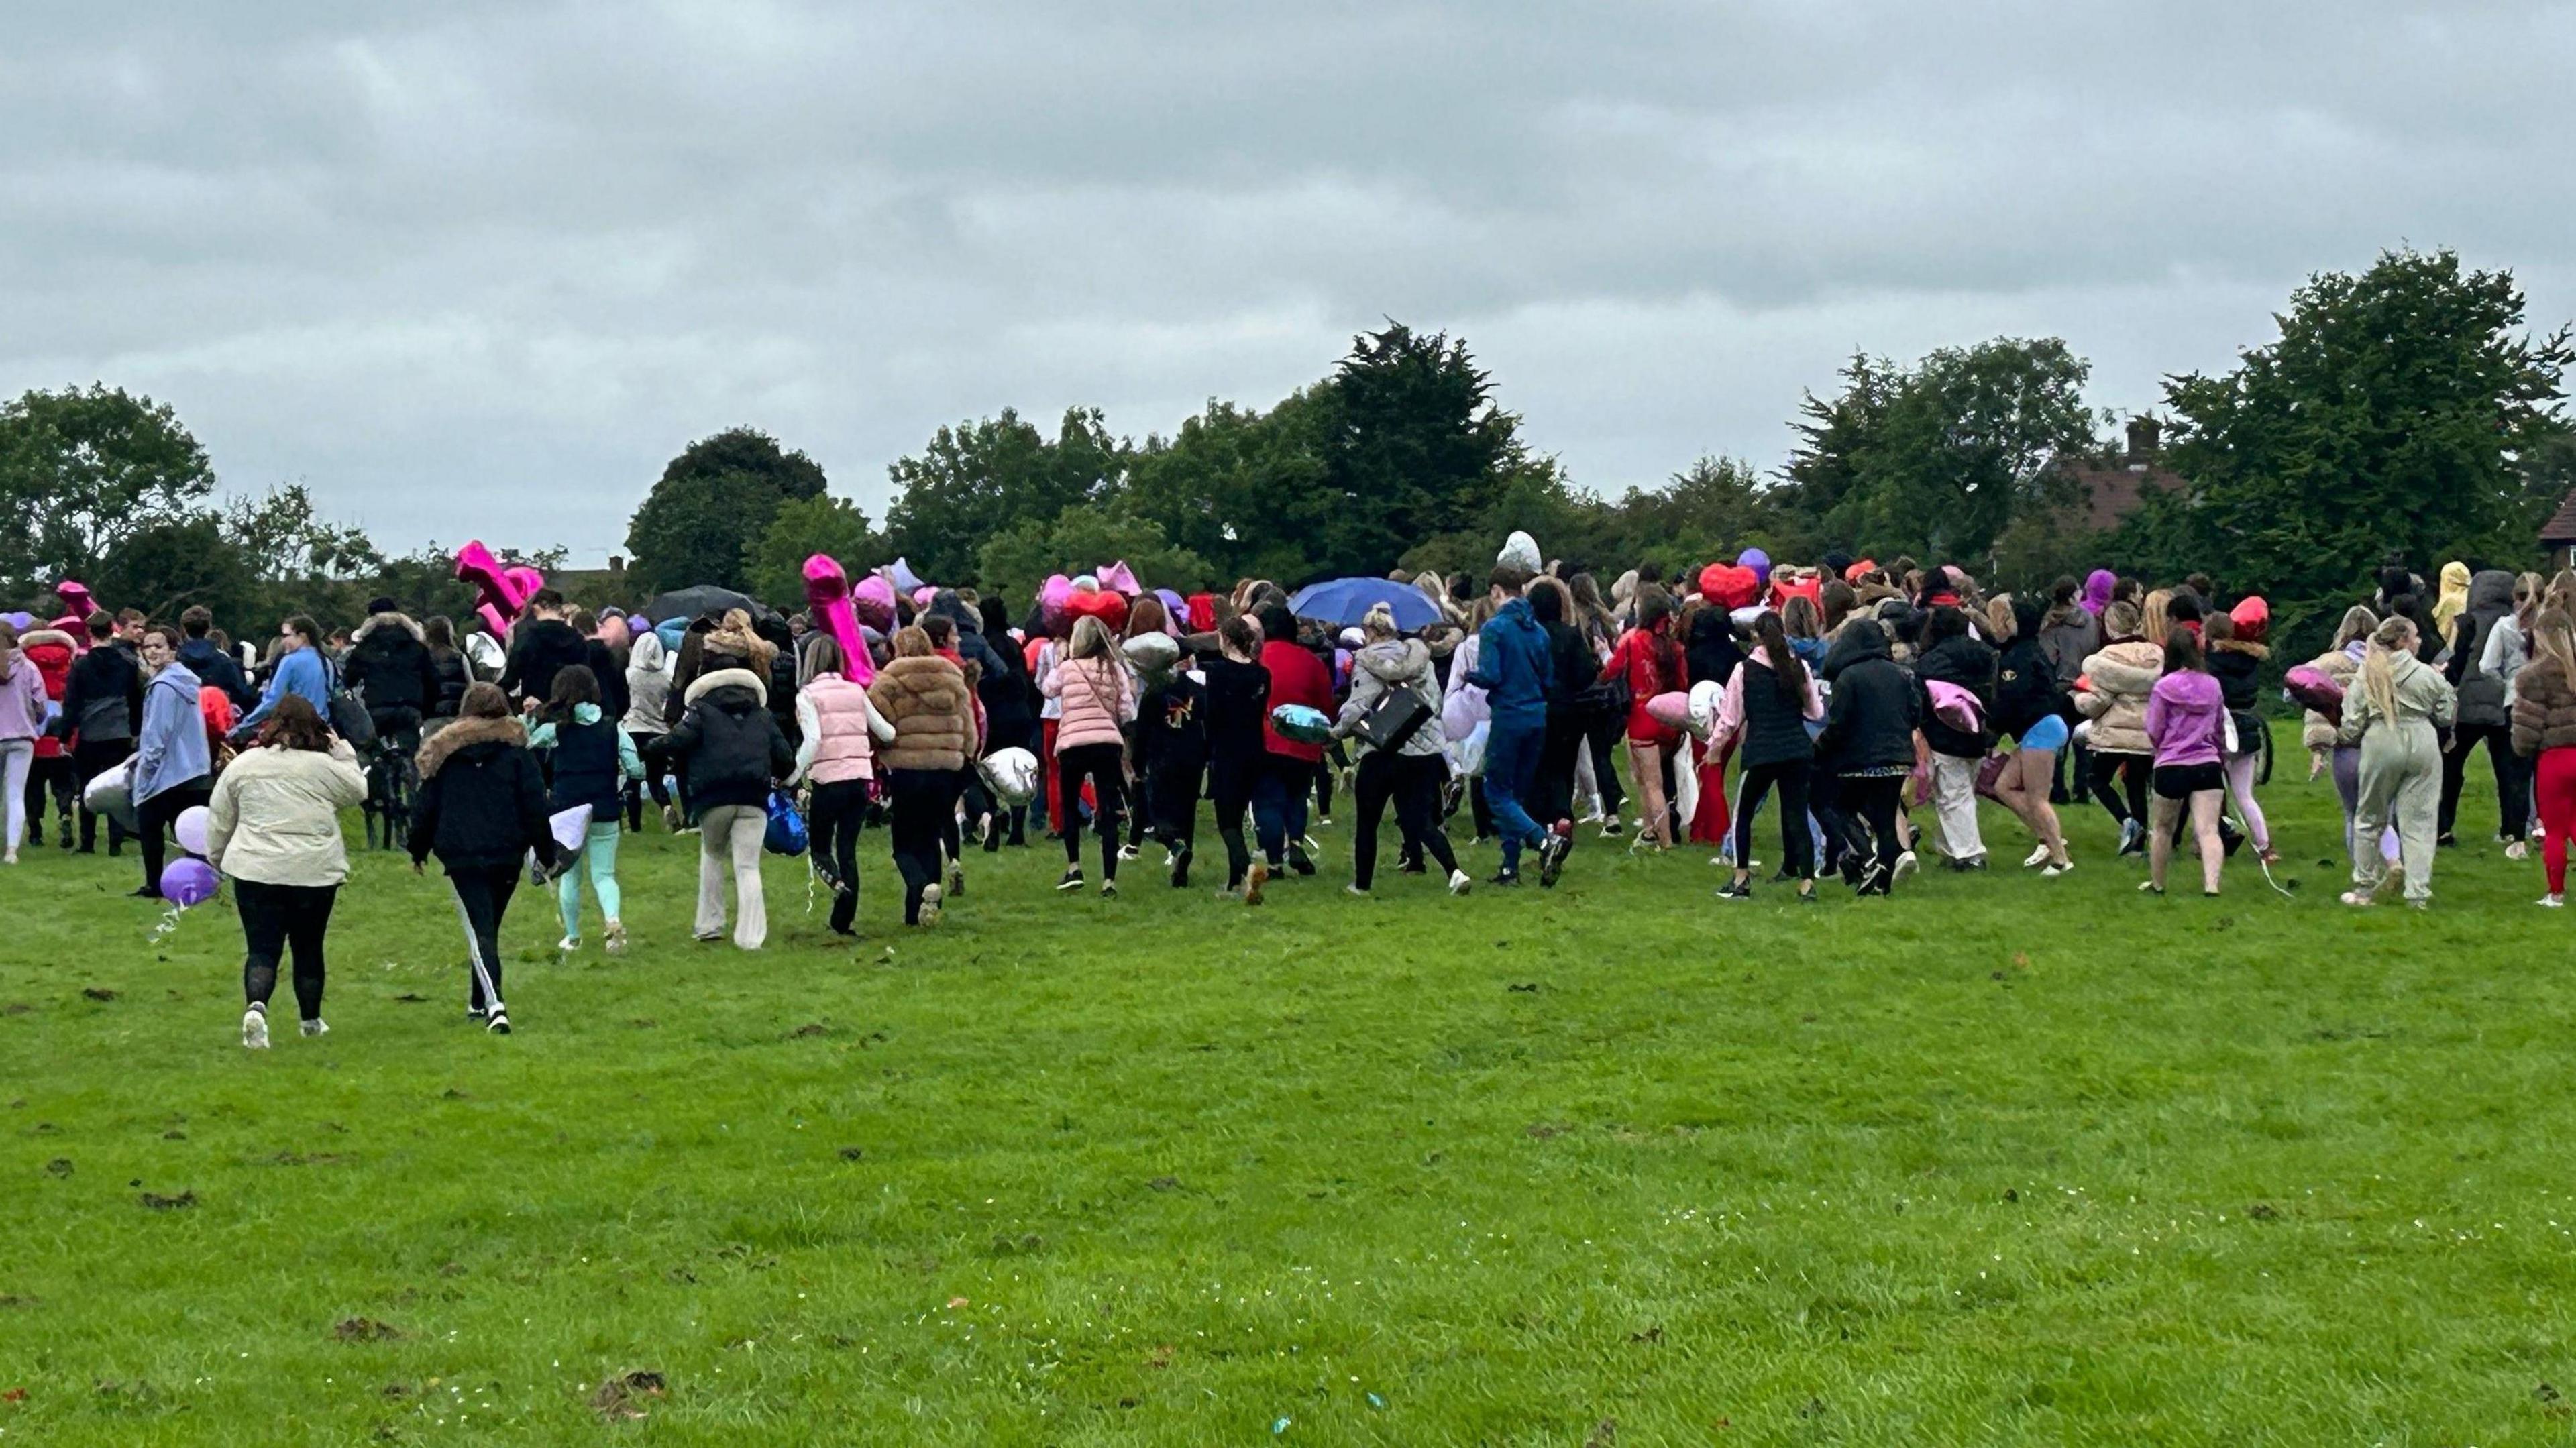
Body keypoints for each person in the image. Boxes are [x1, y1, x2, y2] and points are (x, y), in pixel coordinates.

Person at [204, 695, 366, 1047]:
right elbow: (358, 789)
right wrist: (342, 749)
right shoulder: (323, 767)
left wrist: (215, 859)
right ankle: (310, 1021)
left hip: (255, 868)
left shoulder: (245, 765)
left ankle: (256, 1008)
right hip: (314, 870)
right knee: (309, 947)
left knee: (262, 948)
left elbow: (220, 817)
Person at [409, 683, 557, 1033]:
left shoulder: (442, 756)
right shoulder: (519, 755)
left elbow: (425, 807)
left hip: (461, 853)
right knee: (488, 927)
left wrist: (418, 848)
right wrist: (547, 852)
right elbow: (535, 806)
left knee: (481, 930)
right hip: (507, 851)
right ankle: (479, 1000)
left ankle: (495, 1006)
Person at [657, 645, 793, 948]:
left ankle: (710, 924)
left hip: (714, 796)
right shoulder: (762, 714)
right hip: (754, 796)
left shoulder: (701, 713)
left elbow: (677, 741)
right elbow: (785, 757)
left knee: (712, 855)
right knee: (748, 866)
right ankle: (751, 937)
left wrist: (650, 750)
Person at [1333, 603, 1469, 896]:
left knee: (1368, 821)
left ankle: (1362, 884)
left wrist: (1334, 733)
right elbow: (1434, 702)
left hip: (1380, 750)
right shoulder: (1421, 658)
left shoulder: (1366, 661)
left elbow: (1358, 705)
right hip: (1421, 753)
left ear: (1369, 632)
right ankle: (1455, 872)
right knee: (1419, 819)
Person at [525, 665, 644, 954]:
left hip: (567, 812)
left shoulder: (557, 730)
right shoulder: (613, 728)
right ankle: (613, 921)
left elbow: (527, 741)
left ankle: (573, 937)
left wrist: (531, 717)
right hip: (604, 808)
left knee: (570, 876)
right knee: (604, 875)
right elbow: (636, 769)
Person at [2339, 615, 2455, 908]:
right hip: (2422, 739)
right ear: (2403, 640)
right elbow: (2445, 713)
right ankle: (2417, 893)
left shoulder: (2368, 672)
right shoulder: (2427, 674)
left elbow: (2351, 724)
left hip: (2380, 739)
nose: (2418, 641)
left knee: (2369, 817)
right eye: (2415, 636)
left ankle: (2364, 887)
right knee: (2419, 821)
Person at [1468, 565, 1572, 887]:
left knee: (1495, 790)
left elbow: (1491, 675)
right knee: (1517, 794)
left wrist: (1470, 676)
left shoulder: (1494, 629)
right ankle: (1509, 867)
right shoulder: (1538, 631)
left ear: (1497, 591)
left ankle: (1543, 840)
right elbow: (1548, 678)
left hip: (1509, 715)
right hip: (1536, 716)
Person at [1711, 610, 1825, 900]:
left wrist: (1714, 748)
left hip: (1762, 749)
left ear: (1755, 636)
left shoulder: (1745, 670)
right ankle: (1807, 883)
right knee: (1796, 814)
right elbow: (1815, 712)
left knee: (1744, 814)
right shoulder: (1798, 666)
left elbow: (1730, 718)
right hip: (1797, 749)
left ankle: (1740, 879)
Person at [871, 627, 979, 926]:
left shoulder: (890, 680)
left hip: (906, 768)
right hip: (945, 769)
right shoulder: (952, 677)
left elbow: (880, 723)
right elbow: (967, 724)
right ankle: (925, 908)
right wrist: (965, 753)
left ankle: (918, 885)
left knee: (903, 843)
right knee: (931, 836)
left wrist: (879, 751)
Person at [791, 635, 896, 936]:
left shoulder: (808, 695)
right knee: (848, 849)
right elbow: (886, 732)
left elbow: (813, 741)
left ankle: (836, 883)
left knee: (821, 848)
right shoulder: (855, 691)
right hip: (859, 779)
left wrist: (794, 773)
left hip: (828, 780)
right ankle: (843, 920)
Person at [1814, 613, 1921, 893]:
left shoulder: (1848, 677)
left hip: (1859, 759)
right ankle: (1884, 877)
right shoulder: (1903, 673)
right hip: (1898, 757)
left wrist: (1819, 749)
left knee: (1840, 807)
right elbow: (1915, 713)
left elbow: (1839, 724)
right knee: (1885, 817)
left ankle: (1870, 857)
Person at [1040, 615, 1136, 896]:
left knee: (1069, 804)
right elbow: (1127, 711)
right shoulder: (1114, 669)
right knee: (1107, 809)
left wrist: (1060, 661)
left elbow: (1048, 689)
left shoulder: (1068, 668)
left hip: (1073, 742)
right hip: (1107, 742)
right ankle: (1109, 881)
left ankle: (1074, 867)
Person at [2443, 568, 2528, 851]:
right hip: (2504, 706)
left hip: (2466, 707)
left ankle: (2443, 827)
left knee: (2451, 767)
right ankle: (2511, 831)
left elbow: (2452, 661)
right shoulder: (2517, 624)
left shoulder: (2467, 622)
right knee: (2508, 772)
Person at [1988, 596, 2072, 875]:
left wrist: (1990, 731)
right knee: (2004, 787)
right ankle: (2047, 837)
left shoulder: (2017, 659)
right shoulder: (2033, 650)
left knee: (2037, 798)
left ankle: (2060, 858)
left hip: (2039, 729)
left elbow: (2010, 701)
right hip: (2040, 728)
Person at [2142, 626, 2229, 897]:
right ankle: (2212, 884)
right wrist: (2221, 754)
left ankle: (2158, 884)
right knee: (2209, 830)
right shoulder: (2212, 684)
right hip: (2206, 763)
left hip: (2171, 763)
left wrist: (2163, 748)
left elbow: (2154, 728)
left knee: (2162, 828)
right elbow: (2219, 726)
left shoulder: (2164, 687)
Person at [1601, 586, 1688, 848]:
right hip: (1671, 719)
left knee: (1651, 783)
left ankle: (1665, 841)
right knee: (1648, 778)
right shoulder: (1676, 647)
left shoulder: (1632, 640)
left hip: (1643, 718)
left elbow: (1611, 671)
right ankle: (1649, 830)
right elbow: (1684, 685)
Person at [131, 624, 213, 899]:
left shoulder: (165, 686)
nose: (153, 651)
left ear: (173, 650)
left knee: (151, 828)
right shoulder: (186, 681)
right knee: (192, 834)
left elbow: (158, 734)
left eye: (159, 646)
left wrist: (147, 769)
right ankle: (200, 884)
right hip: (193, 768)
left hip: (168, 772)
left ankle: (154, 884)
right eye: (148, 646)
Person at [1913, 604, 1998, 870]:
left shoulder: (1931, 660)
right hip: (1979, 732)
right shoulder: (1986, 654)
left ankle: (1968, 853)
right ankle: (1951, 848)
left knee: (1953, 795)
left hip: (1943, 736)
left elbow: (1923, 700)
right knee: (1961, 792)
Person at [1252, 604, 1330, 878]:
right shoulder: (1310, 660)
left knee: (1267, 800)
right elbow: (1325, 705)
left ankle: (1274, 860)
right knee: (1297, 797)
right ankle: (1296, 841)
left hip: (1266, 740)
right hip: (1303, 742)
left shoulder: (1257, 658)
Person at [2076, 600, 2160, 855]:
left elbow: (2097, 701)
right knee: (2136, 784)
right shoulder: (2155, 654)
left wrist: (2078, 699)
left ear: (2110, 627)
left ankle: (2126, 821)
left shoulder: (2104, 659)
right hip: (2147, 730)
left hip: (2114, 732)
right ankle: (2139, 842)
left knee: (2098, 779)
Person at [1201, 616, 1272, 902]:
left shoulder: (1217, 673)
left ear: (1226, 639)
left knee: (1227, 820)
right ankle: (1234, 884)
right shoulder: (1262, 674)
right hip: (1254, 749)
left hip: (1227, 751)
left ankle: (1246, 869)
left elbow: (1212, 716)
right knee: (1239, 809)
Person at [61, 611, 141, 854]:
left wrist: (65, 736)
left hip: (90, 734)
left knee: (87, 786)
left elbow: (72, 703)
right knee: (117, 786)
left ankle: (88, 842)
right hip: (120, 732)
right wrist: (136, 730)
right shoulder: (127, 662)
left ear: (89, 633)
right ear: (112, 629)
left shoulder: (81, 665)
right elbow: (136, 699)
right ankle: (116, 841)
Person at [2512, 607, 2576, 905]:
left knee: (2555, 830)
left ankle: (2556, 893)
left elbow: (2528, 726)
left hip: (2555, 758)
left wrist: (2523, 749)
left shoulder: (2533, 675)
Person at [2203, 608, 2276, 864]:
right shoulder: (2250, 659)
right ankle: (2266, 847)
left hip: (2219, 728)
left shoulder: (2209, 661)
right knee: (2245, 795)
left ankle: (2215, 838)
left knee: (2211, 792)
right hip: (2247, 725)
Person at [2484, 573, 2545, 858]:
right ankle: (2547, 826)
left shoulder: (2504, 627)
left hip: (2517, 702)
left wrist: (2507, 685)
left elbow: (2487, 666)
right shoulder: (2553, 627)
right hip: (2548, 703)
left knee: (2518, 773)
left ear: (2514, 598)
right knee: (2546, 770)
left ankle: (2517, 835)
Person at [344, 596, 445, 759]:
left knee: (372, 755)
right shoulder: (417, 647)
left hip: (377, 707)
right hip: (409, 707)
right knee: (412, 757)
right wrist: (424, 710)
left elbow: (349, 679)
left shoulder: (365, 648)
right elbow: (433, 681)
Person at [976, 596, 1040, 850]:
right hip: (1018, 713)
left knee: (989, 767)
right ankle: (1017, 827)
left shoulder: (983, 647)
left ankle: (991, 818)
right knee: (1019, 768)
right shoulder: (1014, 645)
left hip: (993, 714)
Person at [17, 623, 76, 851]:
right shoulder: (68, 660)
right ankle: (65, 810)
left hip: (34, 731)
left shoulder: (26, 663)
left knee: (33, 785)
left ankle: (35, 831)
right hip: (60, 730)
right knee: (63, 780)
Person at [233, 616, 333, 739]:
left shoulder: (290, 661)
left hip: (295, 732)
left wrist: (244, 725)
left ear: (302, 636)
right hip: (321, 731)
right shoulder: (327, 662)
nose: (283, 641)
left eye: (286, 636)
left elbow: (272, 701)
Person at [498, 590, 590, 709]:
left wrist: (497, 691)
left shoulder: (528, 635)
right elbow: (585, 675)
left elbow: (514, 671)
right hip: (569, 708)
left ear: (542, 605)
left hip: (534, 706)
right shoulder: (577, 639)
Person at [0, 622, 45, 865]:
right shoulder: (29, 668)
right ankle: (12, 850)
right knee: (15, 794)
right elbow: (40, 706)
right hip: (22, 737)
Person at [177, 605, 256, 712]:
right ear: (209, 628)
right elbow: (240, 695)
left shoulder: (176, 661)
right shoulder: (223, 661)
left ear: (184, 629)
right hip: (216, 718)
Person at [421, 616, 472, 731]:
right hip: (457, 714)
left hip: (432, 714)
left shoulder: (423, 658)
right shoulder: (460, 657)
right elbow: (471, 686)